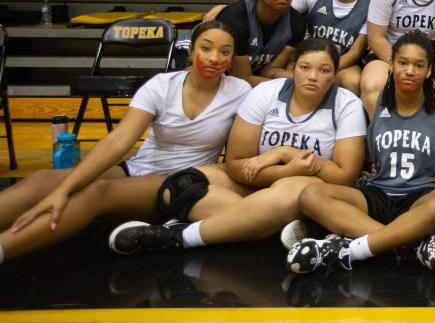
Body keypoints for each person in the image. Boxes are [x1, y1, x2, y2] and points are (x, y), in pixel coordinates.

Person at [0, 22, 250, 262]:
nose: (215, 58)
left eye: (225, 52)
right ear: (191, 51)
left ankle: (3, 249)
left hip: (176, 184)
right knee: (42, 180)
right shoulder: (162, 85)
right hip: (136, 170)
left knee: (97, 193)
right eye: (206, 48)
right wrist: (62, 190)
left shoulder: (240, 92)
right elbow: (118, 141)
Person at [106, 38, 367, 255]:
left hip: (304, 188)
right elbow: (237, 164)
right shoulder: (267, 93)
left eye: (324, 70)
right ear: (293, 68)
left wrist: (284, 155)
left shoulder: (346, 104)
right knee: (180, 185)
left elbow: (344, 177)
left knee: (292, 190)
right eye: (305, 67)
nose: (312, 76)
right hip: (255, 183)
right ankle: (266, 225)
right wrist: (281, 171)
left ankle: (178, 235)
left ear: (334, 75)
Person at [286, 31, 435, 276]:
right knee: (311, 195)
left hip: (422, 196)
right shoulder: (371, 101)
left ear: (430, 70)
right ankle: (407, 243)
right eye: (403, 62)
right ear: (391, 64)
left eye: (418, 65)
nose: (409, 70)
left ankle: (351, 247)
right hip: (377, 192)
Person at [215, 0, 308, 85]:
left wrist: (293, 78)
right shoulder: (235, 18)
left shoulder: (297, 22)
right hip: (222, 82)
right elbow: (243, 81)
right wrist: (288, 88)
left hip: (257, 83)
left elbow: (269, 71)